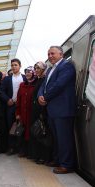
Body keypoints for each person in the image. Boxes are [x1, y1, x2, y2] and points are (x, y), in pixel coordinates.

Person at [38, 46, 76, 174]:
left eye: (52, 53)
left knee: (64, 138)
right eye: (48, 54)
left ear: (61, 54)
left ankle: (67, 164)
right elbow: (43, 85)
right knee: (56, 137)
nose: (50, 56)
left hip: (63, 109)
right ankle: (58, 159)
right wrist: (39, 96)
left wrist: (45, 97)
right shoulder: (49, 70)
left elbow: (59, 85)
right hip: (52, 110)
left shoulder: (67, 66)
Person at [0, 58, 26, 155]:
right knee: (11, 127)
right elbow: (1, 91)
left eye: (16, 65)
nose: (14, 67)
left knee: (22, 126)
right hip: (11, 106)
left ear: (20, 66)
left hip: (22, 107)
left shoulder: (25, 77)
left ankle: (22, 149)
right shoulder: (7, 79)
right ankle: (11, 147)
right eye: (12, 65)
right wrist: (7, 100)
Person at [30, 61, 52, 165]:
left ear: (43, 69)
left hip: (41, 111)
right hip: (35, 111)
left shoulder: (45, 80)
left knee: (43, 134)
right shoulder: (38, 80)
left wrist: (42, 112)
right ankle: (37, 155)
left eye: (38, 68)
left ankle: (44, 157)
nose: (36, 70)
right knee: (37, 133)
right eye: (35, 68)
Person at [15, 66, 37, 158]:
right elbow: (18, 100)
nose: (28, 74)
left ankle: (31, 153)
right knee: (22, 133)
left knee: (32, 133)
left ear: (33, 73)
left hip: (32, 114)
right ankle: (23, 151)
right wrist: (17, 113)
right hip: (23, 114)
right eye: (26, 72)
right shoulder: (22, 85)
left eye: (30, 72)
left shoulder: (36, 84)